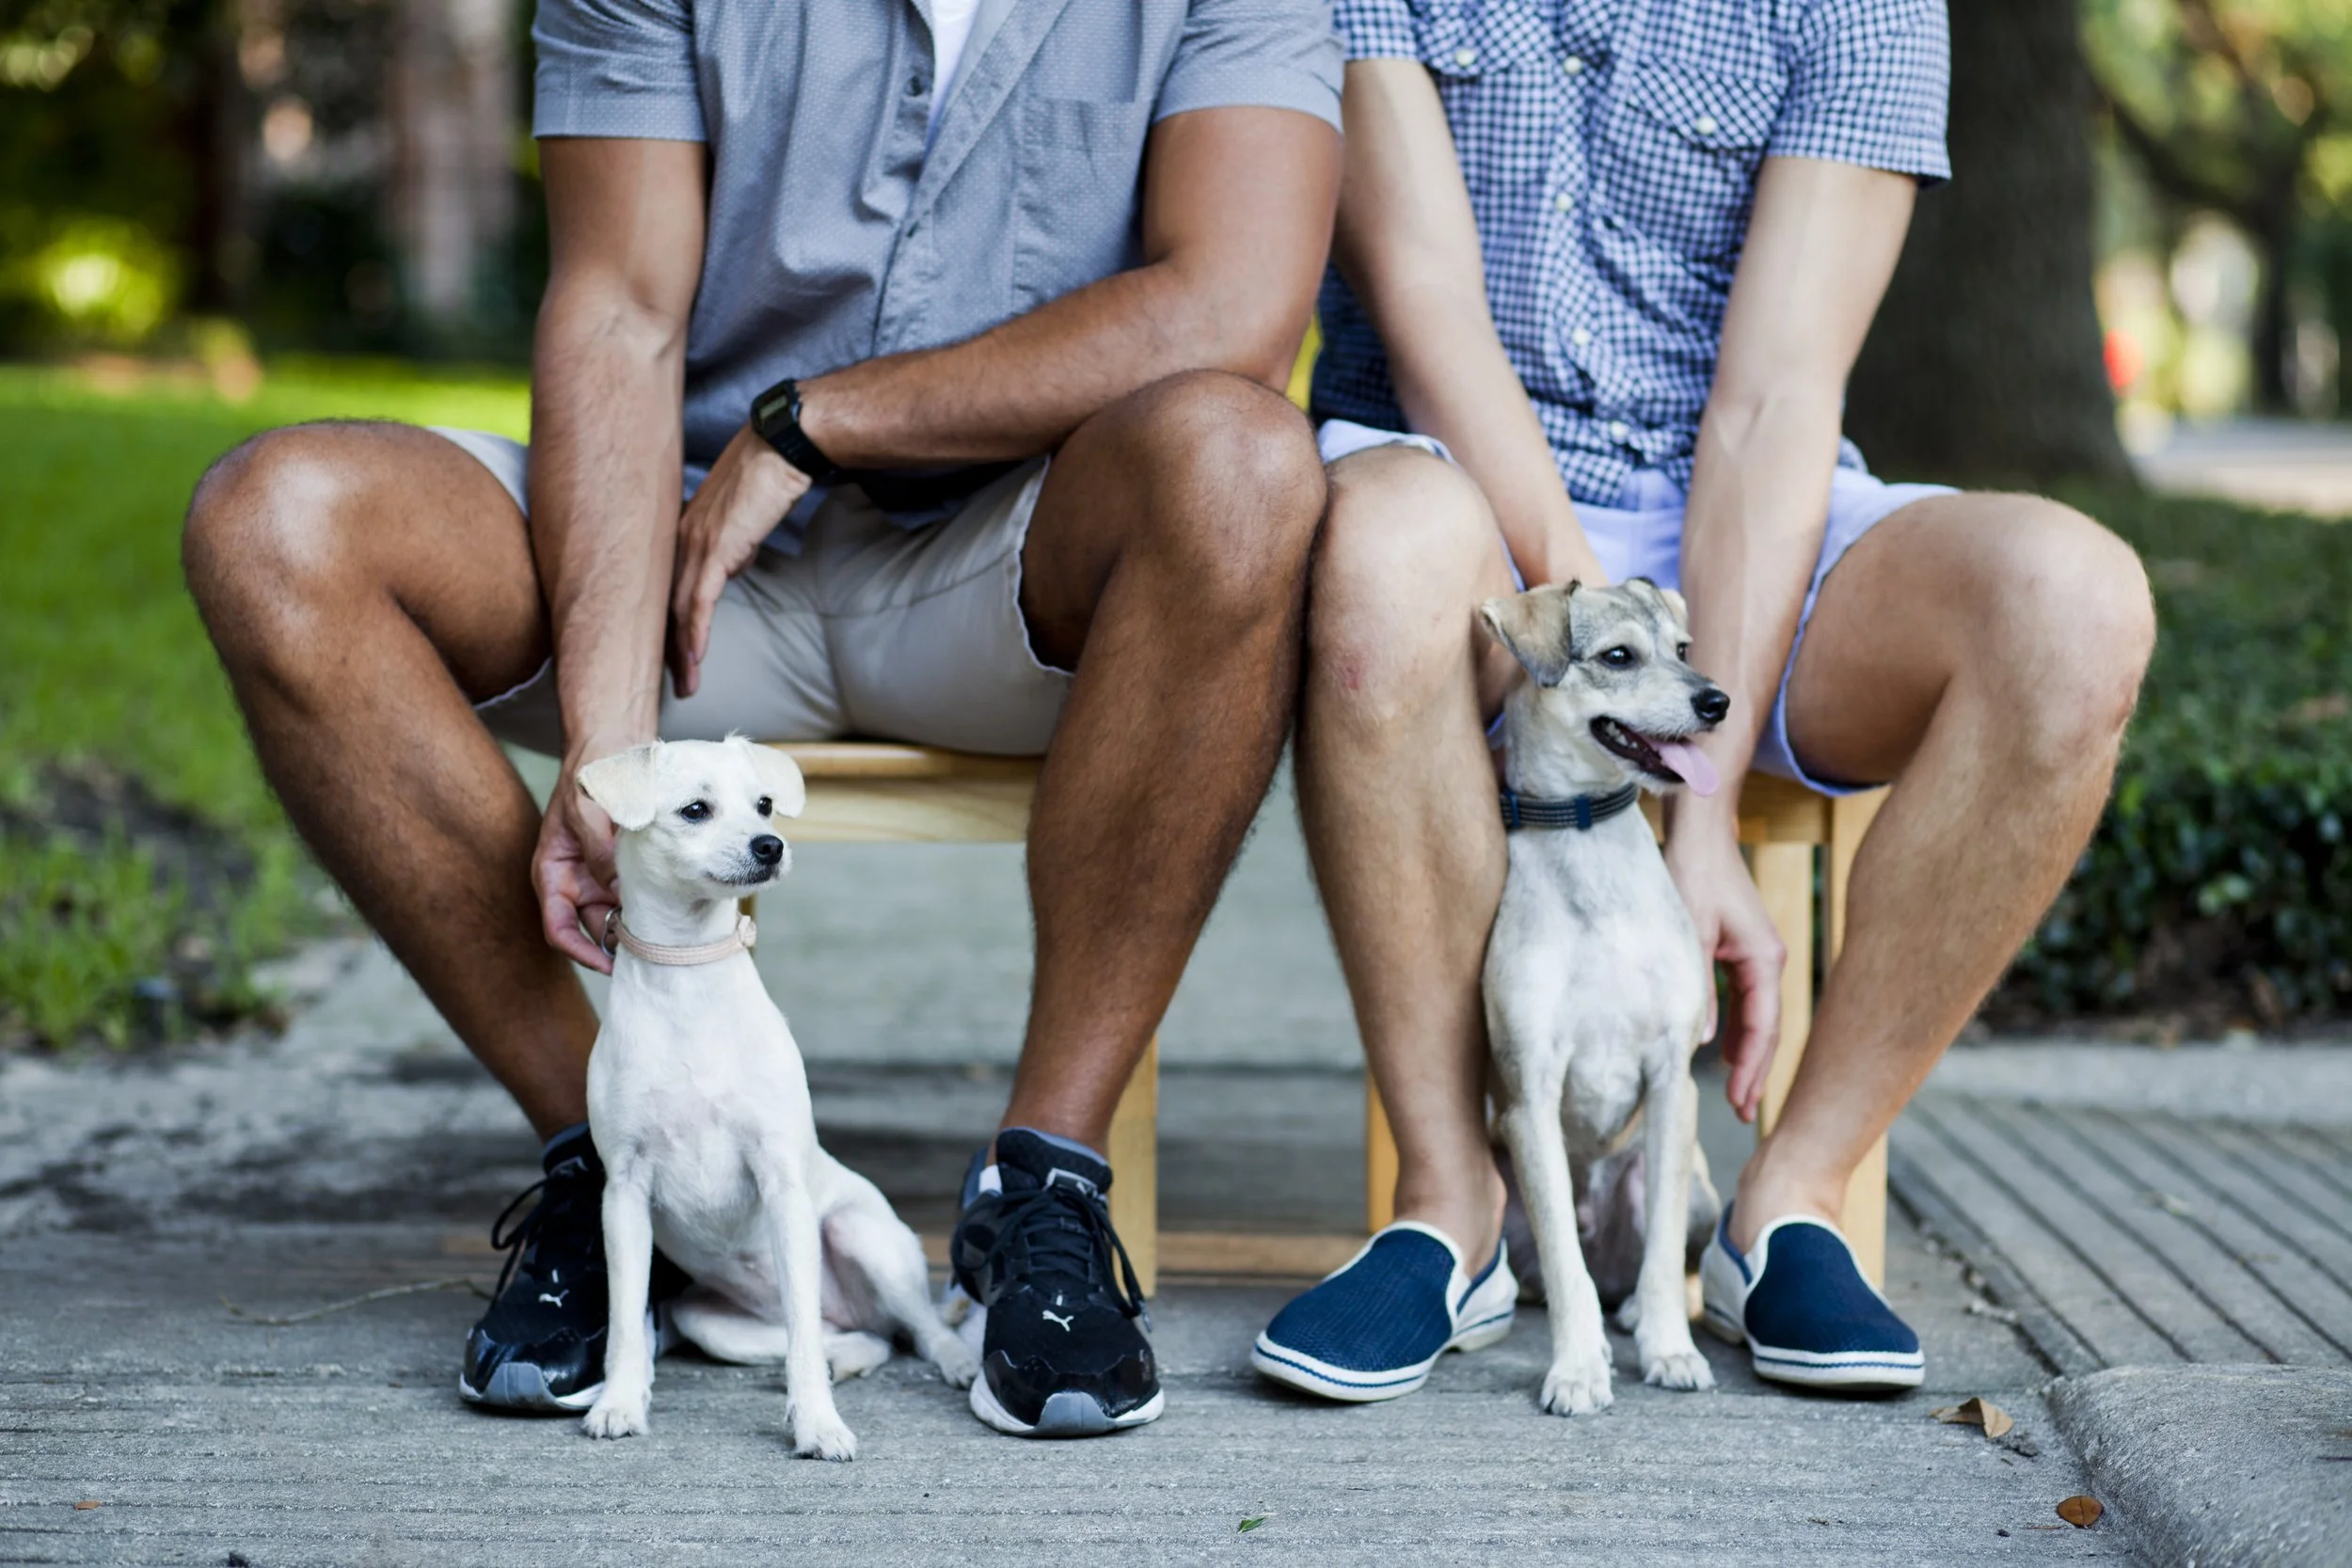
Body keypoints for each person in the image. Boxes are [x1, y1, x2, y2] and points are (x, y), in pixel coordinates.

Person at [182, 0, 1343, 1440]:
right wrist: (615, 764)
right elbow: (620, 306)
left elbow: (1232, 306)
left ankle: (1041, 1183)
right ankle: (611, 1172)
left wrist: (819, 423)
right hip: (679, 555)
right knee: (274, 525)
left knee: (1245, 463)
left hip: (1017, 558)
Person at [1250, 0, 2155, 1400]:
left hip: (1746, 528)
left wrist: (1701, 802)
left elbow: (1776, 398)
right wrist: (1598, 650)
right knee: (1377, 562)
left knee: (2073, 603)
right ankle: (1454, 1212)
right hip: (1456, 480)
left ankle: (1784, 1201)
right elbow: (1431, 312)